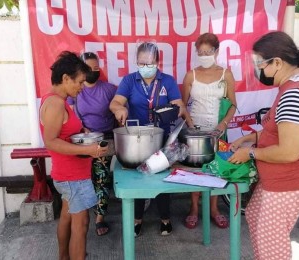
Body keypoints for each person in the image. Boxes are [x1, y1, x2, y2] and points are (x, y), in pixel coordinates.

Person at [228, 31, 299, 260]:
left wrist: (250, 153)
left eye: (260, 65)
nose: (258, 71)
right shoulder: (293, 86)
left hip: (290, 181)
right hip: (280, 178)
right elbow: (282, 128)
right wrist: (251, 138)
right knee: (254, 215)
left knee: (272, 244)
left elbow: (289, 151)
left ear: (277, 62)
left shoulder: (296, 94)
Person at [109, 42, 189, 237]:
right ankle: (137, 219)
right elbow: (115, 102)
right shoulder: (129, 80)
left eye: (149, 63)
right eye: (141, 63)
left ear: (158, 62)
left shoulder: (167, 81)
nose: (145, 67)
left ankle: (165, 218)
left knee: (161, 177)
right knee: (138, 177)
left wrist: (172, 112)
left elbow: (180, 106)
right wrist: (120, 109)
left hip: (162, 138)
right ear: (136, 62)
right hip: (137, 139)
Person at [39, 51, 109, 260]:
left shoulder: (58, 101)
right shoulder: (55, 104)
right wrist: (88, 150)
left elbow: (65, 134)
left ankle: (64, 257)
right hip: (72, 177)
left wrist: (83, 134)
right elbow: (51, 141)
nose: (81, 86)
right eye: (79, 82)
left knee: (67, 219)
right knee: (81, 225)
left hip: (71, 175)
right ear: (65, 78)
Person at [181, 33, 237, 229]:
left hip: (218, 131)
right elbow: (183, 105)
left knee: (216, 170)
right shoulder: (191, 75)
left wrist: (223, 125)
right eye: (201, 52)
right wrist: (189, 124)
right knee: (196, 169)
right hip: (195, 131)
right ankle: (194, 208)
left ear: (217, 51)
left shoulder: (226, 74)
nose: (204, 55)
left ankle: (214, 209)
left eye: (208, 51)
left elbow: (232, 105)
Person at [67, 52, 117, 236]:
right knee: (83, 178)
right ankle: (82, 212)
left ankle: (100, 217)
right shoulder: (75, 90)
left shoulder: (109, 89)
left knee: (102, 177)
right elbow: (71, 114)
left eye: (97, 68)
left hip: (104, 139)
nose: (94, 71)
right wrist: (81, 128)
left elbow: (120, 107)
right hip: (81, 140)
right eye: (90, 68)